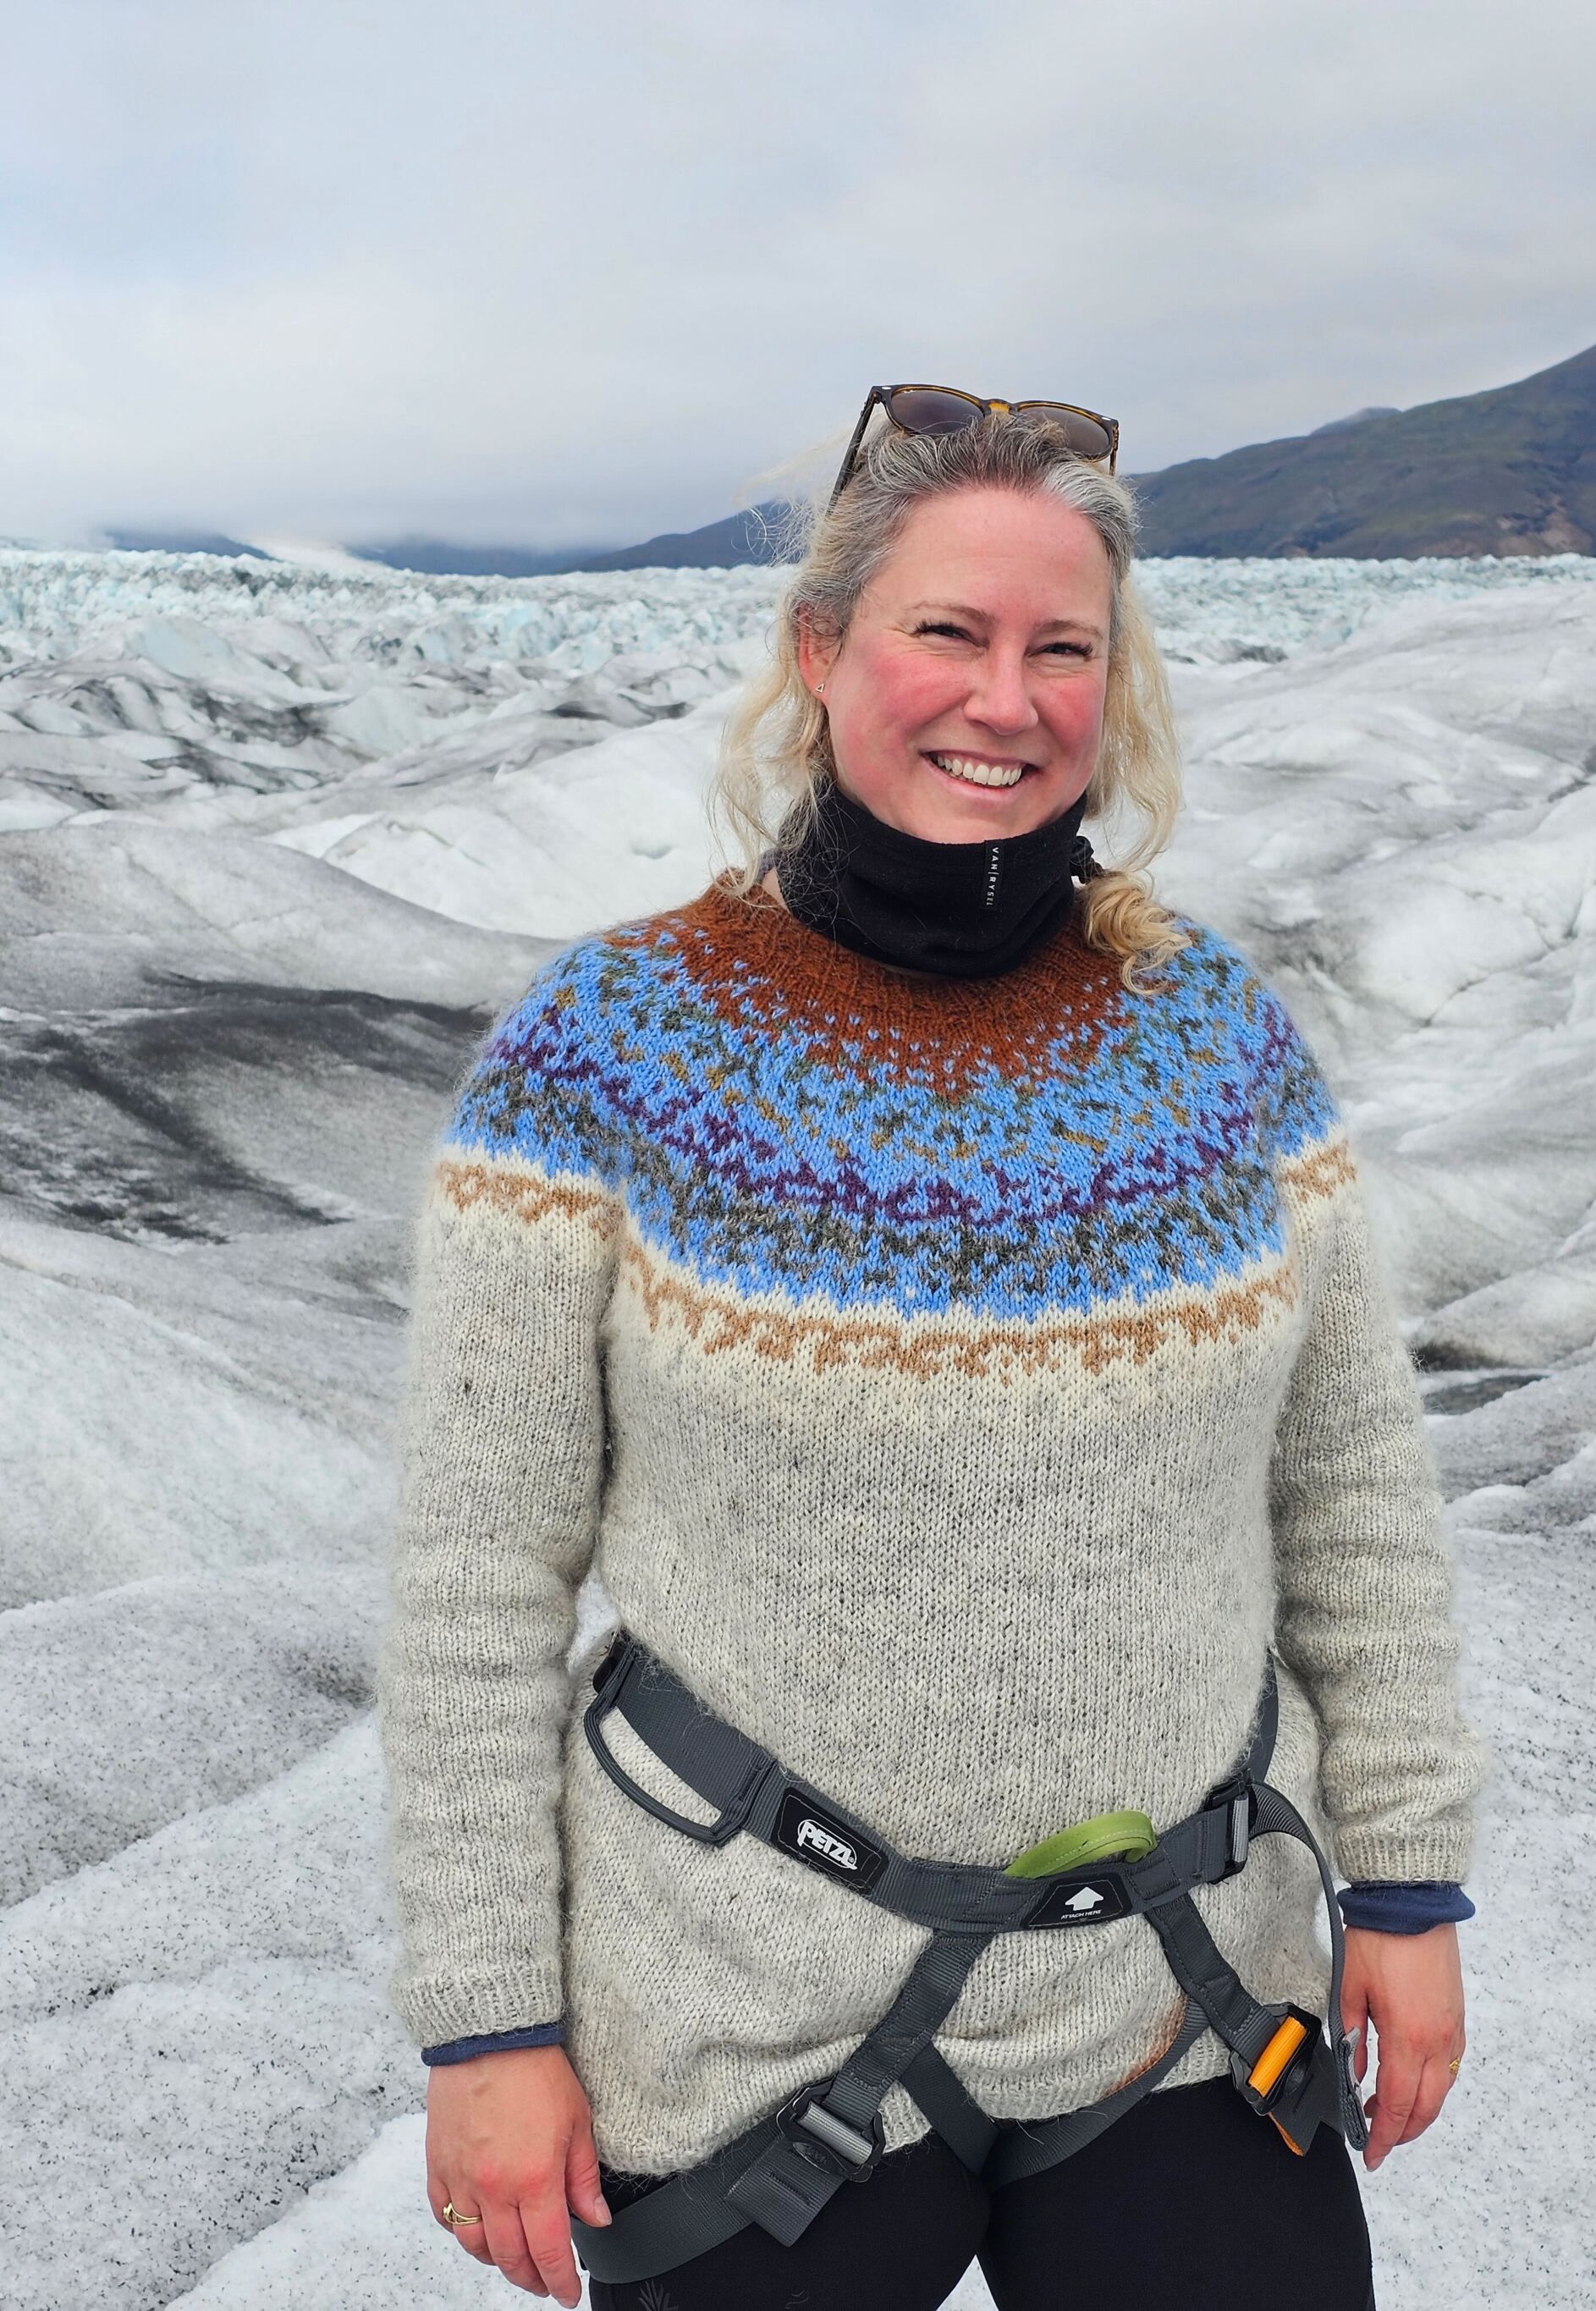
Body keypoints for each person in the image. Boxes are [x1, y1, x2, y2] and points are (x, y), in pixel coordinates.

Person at [377, 392, 1482, 2311]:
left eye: (1063, 647)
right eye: (946, 634)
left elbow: (1352, 1490)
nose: (1008, 697)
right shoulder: (612, 1048)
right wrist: (485, 2025)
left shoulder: (1213, 1039)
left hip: (1180, 1992)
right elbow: (477, 1573)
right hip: (740, 2011)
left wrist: (1401, 1880)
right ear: (823, 653)